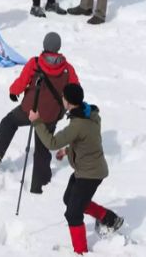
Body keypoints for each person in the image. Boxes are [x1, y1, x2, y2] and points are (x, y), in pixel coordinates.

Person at [29, 84, 124, 254]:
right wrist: (67, 150)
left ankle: (80, 252)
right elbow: (87, 140)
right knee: (70, 200)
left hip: (90, 174)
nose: (62, 100)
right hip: (85, 169)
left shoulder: (78, 124)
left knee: (73, 214)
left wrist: (36, 121)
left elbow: (52, 142)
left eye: (63, 97)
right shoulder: (89, 113)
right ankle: (110, 219)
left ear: (68, 102)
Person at [0, 32, 80, 193]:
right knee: (43, 146)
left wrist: (13, 92)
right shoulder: (67, 69)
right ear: (58, 48)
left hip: (29, 110)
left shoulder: (35, 63)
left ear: (44, 45)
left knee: (9, 122)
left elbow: (21, 83)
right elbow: (76, 90)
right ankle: (40, 182)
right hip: (51, 114)